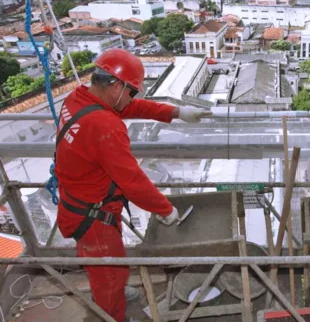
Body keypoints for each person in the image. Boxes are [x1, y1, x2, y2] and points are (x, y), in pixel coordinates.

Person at [54, 49, 211, 322]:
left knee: (109, 266)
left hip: (82, 202)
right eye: (133, 91)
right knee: (108, 273)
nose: (134, 98)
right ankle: (113, 314)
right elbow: (132, 180)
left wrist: (175, 112)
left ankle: (113, 293)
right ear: (116, 86)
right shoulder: (104, 126)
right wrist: (165, 209)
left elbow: (131, 107)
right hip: (92, 216)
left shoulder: (79, 98)